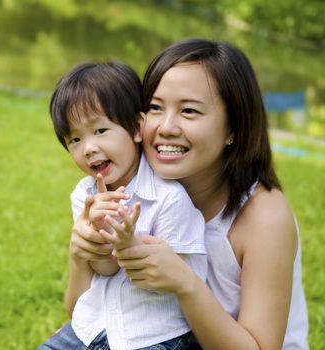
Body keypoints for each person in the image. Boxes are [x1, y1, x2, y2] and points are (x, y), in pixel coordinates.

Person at [70, 39, 309, 349]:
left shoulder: (264, 216)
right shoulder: (136, 194)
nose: (166, 127)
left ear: (232, 129)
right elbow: (80, 318)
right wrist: (80, 256)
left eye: (190, 111)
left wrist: (185, 283)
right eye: (155, 107)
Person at [40, 61, 207, 350]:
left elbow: (162, 282)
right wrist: (98, 233)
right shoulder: (85, 195)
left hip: (153, 337)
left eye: (100, 130)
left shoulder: (169, 198)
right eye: (75, 139)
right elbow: (104, 269)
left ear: (136, 128)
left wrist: (128, 242)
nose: (88, 147)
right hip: (95, 328)